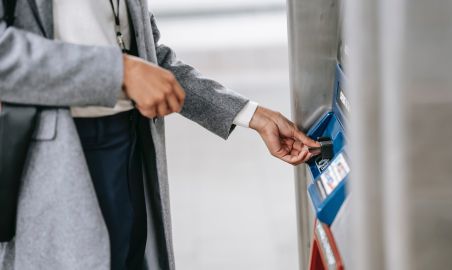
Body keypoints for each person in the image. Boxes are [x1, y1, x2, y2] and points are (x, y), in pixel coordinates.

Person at [0, 0, 319, 269]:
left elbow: (151, 59)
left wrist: (250, 113)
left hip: (130, 144)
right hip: (56, 158)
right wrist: (120, 71)